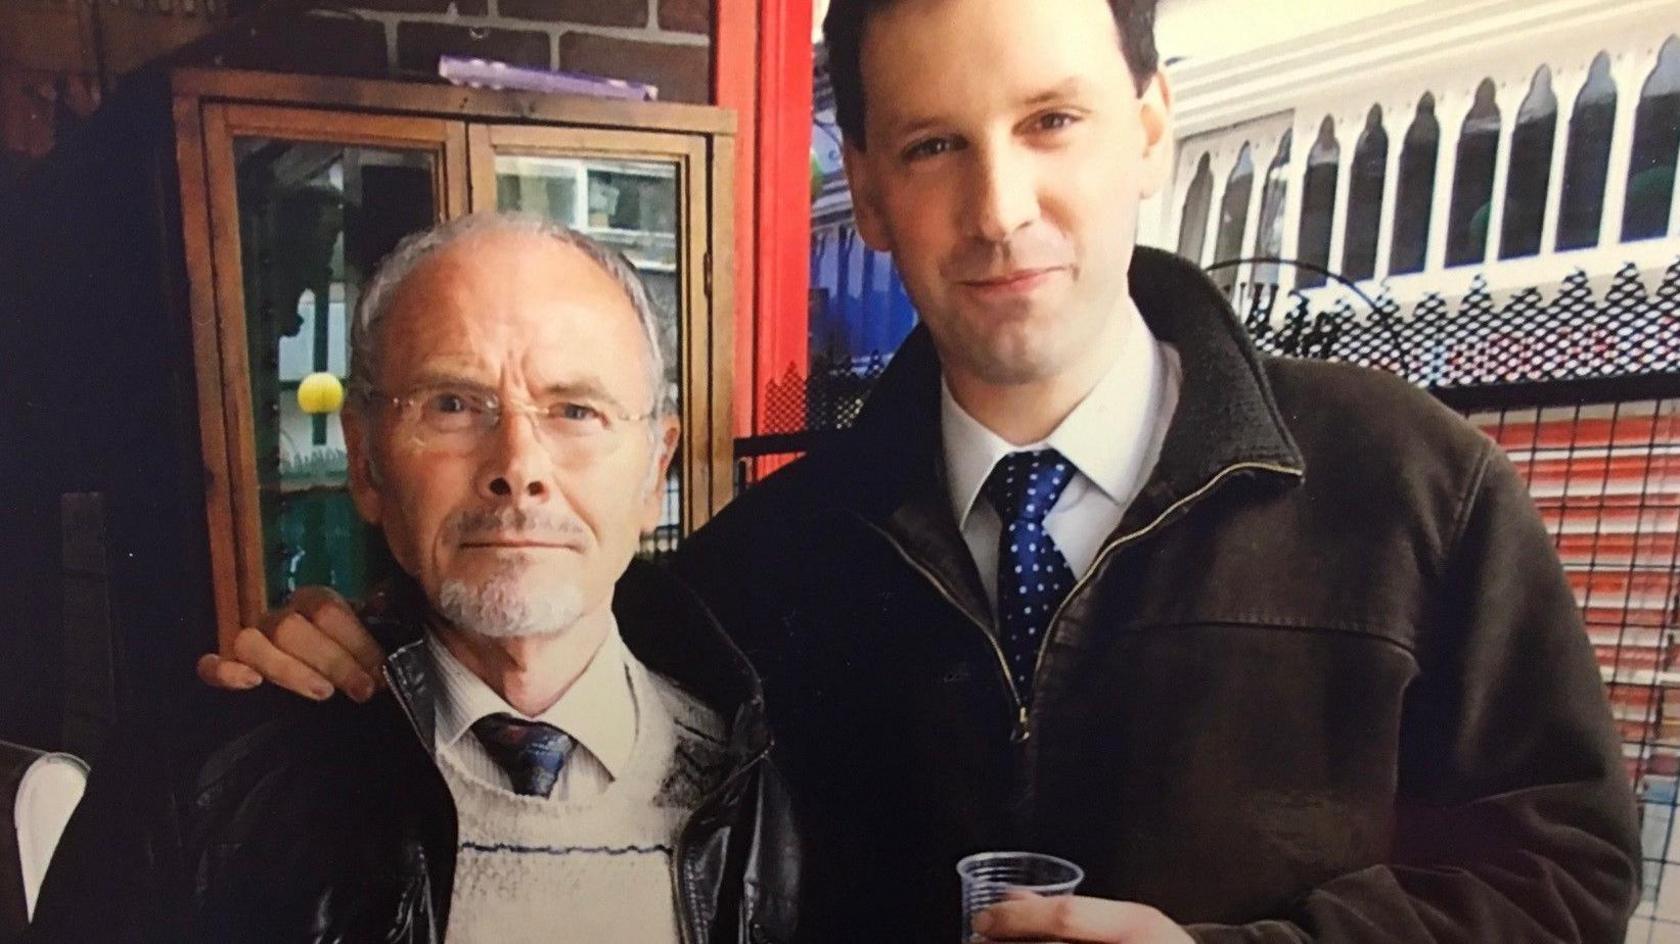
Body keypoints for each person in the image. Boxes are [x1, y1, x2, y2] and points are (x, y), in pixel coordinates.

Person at [199, 0, 1642, 940]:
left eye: (1053, 121)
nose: (1002, 207)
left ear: (1150, 123)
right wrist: (361, 648)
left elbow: (1564, 875)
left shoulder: (1412, 488)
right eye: (937, 144)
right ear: (870, 187)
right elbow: (533, 639)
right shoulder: (758, 570)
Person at [32, 214, 799, 944]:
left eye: (575, 410)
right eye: (455, 405)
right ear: (365, 463)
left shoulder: (778, 790)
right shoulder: (205, 782)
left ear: (652, 471)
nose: (518, 469)